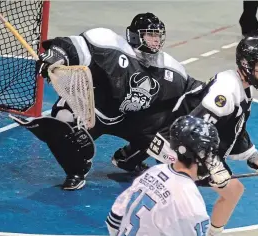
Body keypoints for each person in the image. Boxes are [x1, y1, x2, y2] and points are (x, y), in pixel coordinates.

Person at [117, 37, 258, 236]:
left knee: (222, 191)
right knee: (222, 191)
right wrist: (214, 166)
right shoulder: (226, 91)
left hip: (190, 145)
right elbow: (195, 131)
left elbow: (232, 133)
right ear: (246, 64)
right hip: (176, 144)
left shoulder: (243, 88)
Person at [11, 12, 205, 190]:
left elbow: (194, 92)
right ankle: (75, 170)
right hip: (93, 112)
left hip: (131, 119)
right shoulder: (110, 47)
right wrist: (54, 57)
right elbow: (71, 45)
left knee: (172, 122)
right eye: (150, 35)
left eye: (157, 35)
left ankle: (128, 159)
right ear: (136, 36)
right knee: (63, 118)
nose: (155, 40)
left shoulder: (169, 68)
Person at [98, 115, 240, 236]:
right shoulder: (189, 200)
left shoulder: (153, 173)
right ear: (200, 154)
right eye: (209, 152)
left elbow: (114, 221)